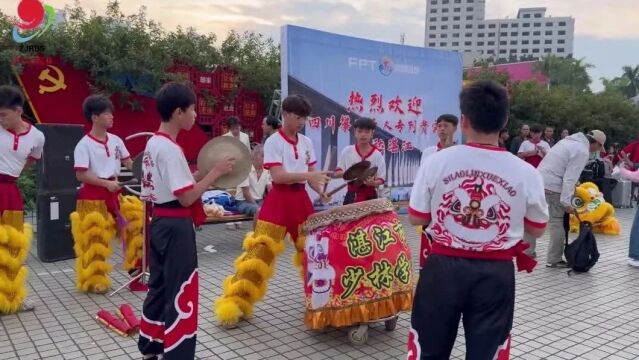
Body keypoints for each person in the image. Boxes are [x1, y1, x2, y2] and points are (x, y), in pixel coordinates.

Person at [407, 80, 548, 360]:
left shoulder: (437, 162)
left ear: (464, 120)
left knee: (429, 349)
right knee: (487, 352)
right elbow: (537, 228)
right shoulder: (526, 172)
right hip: (495, 273)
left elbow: (416, 217)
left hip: (442, 270)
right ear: (505, 120)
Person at [214, 94, 330, 328]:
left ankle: (322, 301)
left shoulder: (306, 143)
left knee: (314, 253)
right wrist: (310, 176)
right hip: (278, 200)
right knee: (258, 254)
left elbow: (312, 176)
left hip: (302, 203)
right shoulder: (274, 142)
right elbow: (278, 176)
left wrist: (321, 189)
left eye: (305, 119)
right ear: (285, 114)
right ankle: (235, 303)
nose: (302, 123)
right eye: (299, 117)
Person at [138, 82, 234, 359]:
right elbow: (186, 198)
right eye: (192, 110)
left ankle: (150, 348)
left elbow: (172, 188)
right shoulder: (169, 149)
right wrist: (214, 173)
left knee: (159, 287)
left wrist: (199, 175)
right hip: (175, 227)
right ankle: (178, 354)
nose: (195, 116)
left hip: (160, 222)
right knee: (181, 289)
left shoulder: (153, 142)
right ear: (178, 112)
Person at [70, 95, 135, 294]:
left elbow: (130, 163)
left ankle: (137, 270)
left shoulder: (116, 140)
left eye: (111, 113)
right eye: (107, 114)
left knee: (135, 226)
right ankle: (94, 280)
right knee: (94, 239)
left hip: (115, 192)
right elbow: (81, 174)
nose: (111, 117)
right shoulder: (84, 144)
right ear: (95, 117)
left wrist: (145, 172)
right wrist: (105, 183)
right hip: (92, 195)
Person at [0, 85, 45, 314]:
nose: (0, 119)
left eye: (3, 114)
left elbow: (31, 160)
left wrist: (14, 174)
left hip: (10, 191)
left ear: (18, 111)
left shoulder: (37, 137)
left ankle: (13, 296)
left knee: (13, 246)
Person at [537, 129, 606, 268]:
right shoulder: (582, 151)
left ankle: (528, 251)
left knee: (535, 217)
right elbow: (570, 178)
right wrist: (566, 202)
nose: (597, 151)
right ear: (596, 143)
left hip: (539, 181)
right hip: (553, 186)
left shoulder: (568, 141)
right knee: (558, 222)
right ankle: (554, 259)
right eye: (599, 147)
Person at [417, 114, 459, 268]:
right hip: (432, 201)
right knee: (429, 237)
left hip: (452, 203)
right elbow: (423, 177)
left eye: (446, 126)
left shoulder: (460, 151)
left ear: (455, 128)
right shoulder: (429, 152)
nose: (442, 129)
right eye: (439, 126)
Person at [333, 117, 386, 204]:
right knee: (349, 218)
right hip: (351, 196)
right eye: (360, 131)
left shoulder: (377, 154)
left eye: (366, 132)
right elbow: (338, 172)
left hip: (370, 196)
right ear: (355, 132)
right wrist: (352, 173)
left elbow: (381, 179)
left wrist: (372, 183)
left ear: (372, 133)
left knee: (371, 218)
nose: (363, 135)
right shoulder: (347, 151)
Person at [235, 145, 272, 217]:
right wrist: (259, 208)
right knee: (259, 210)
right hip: (243, 202)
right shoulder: (245, 170)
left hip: (259, 201)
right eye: (263, 156)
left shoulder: (267, 171)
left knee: (273, 209)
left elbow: (270, 189)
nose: (265, 158)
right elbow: (246, 194)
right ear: (254, 157)